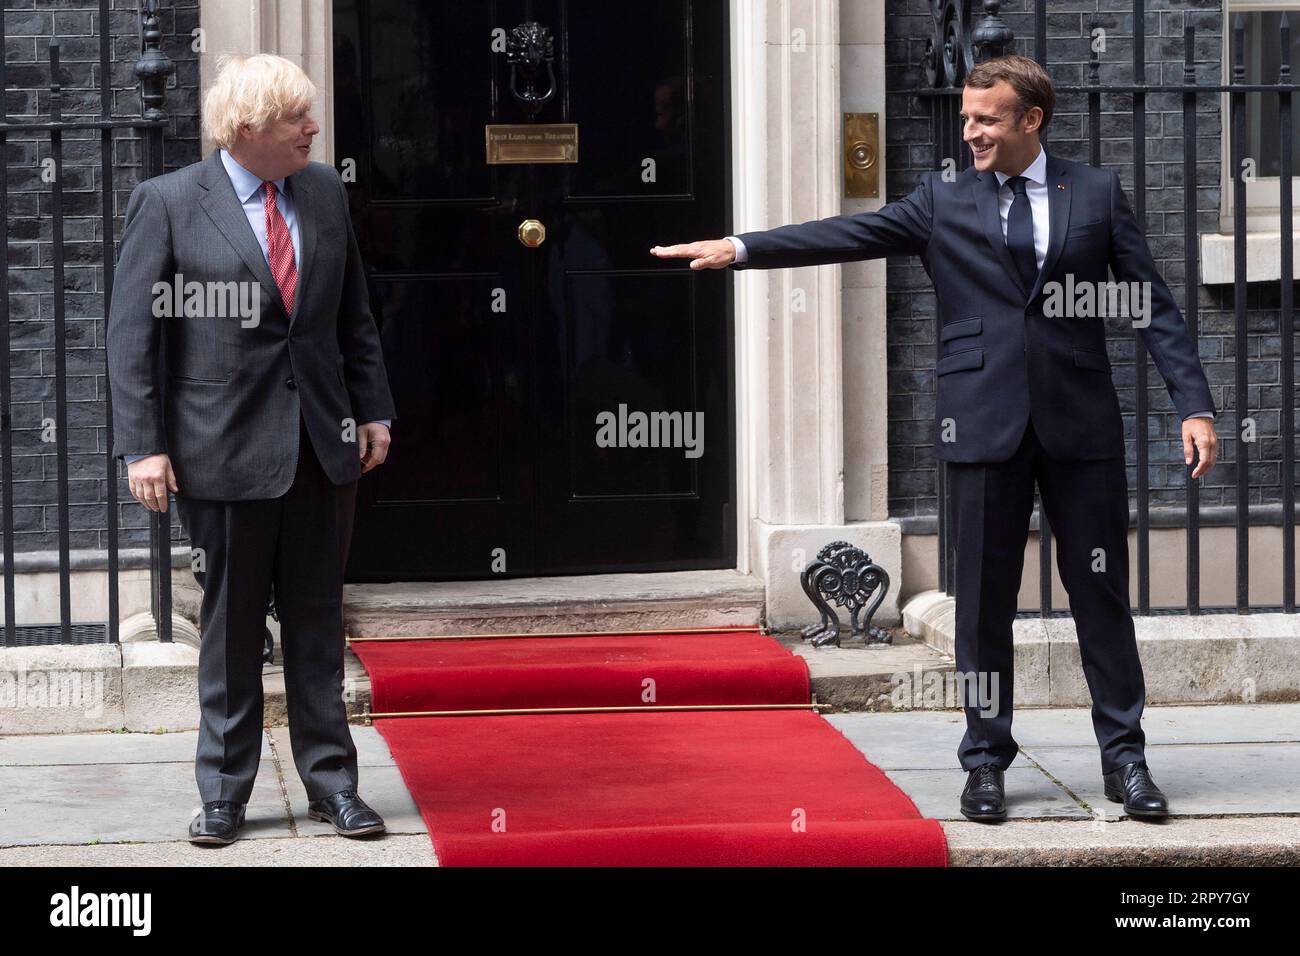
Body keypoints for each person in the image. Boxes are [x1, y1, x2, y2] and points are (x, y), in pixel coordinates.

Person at [651, 54, 1218, 823]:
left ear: (1031, 121)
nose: (970, 131)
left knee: (1101, 597)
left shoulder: (1094, 192)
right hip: (982, 424)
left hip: (1079, 425)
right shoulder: (944, 198)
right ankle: (985, 762)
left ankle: (1127, 761)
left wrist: (1196, 405)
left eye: (986, 118)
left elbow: (1150, 302)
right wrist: (742, 248)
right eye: (966, 117)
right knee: (983, 605)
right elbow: (850, 232)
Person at [107, 53, 397, 844]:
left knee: (315, 621)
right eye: (295, 119)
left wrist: (373, 412)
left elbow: (353, 317)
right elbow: (131, 336)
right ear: (246, 131)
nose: (312, 129)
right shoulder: (168, 203)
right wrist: (143, 447)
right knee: (233, 632)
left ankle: (332, 783)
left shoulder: (325, 192)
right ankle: (227, 791)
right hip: (220, 451)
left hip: (321, 449)